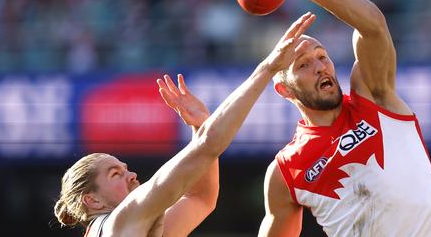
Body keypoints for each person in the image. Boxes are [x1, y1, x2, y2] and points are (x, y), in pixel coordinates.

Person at [257, 0, 431, 236]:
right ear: (283, 89)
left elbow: (373, 26)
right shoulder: (286, 170)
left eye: (321, 56)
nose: (320, 66)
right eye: (303, 65)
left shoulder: (372, 96)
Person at [53, 12, 316, 237]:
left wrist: (200, 126)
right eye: (115, 174)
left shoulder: (134, 225)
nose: (131, 175)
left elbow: (200, 199)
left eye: (124, 168)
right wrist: (267, 68)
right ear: (92, 200)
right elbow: (207, 147)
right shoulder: (119, 223)